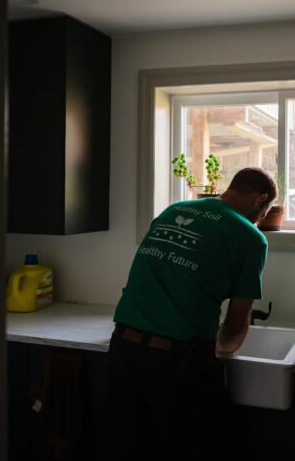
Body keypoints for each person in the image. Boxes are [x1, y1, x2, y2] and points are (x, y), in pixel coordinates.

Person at [105, 167, 277, 460]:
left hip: (122, 351)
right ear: (260, 199)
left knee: (132, 448)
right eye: (265, 211)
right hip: (175, 363)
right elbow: (236, 326)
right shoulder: (251, 237)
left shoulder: (175, 210)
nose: (261, 219)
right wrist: (220, 348)